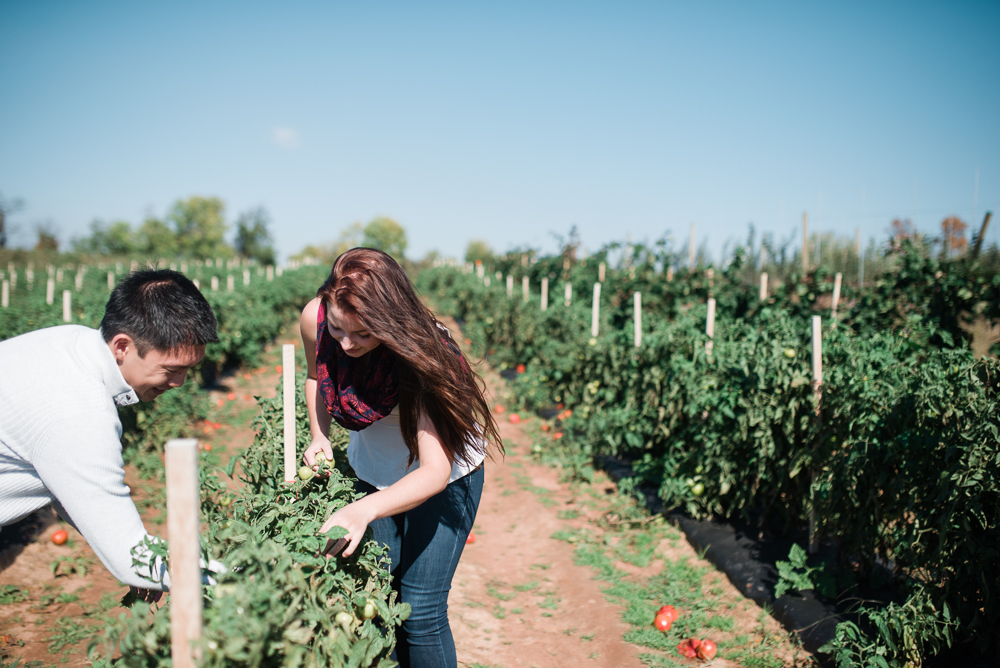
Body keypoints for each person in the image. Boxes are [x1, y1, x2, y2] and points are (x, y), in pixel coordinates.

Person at [300, 248, 502, 668]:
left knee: (421, 609)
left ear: (390, 325)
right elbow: (313, 376)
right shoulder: (315, 318)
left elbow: (434, 471)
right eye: (339, 329)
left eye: (365, 335)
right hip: (373, 469)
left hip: (446, 478)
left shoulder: (424, 358)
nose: (347, 343)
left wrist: (362, 511)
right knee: (380, 595)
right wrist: (320, 434)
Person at [0, 269, 218, 598]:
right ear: (122, 347)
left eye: (189, 369)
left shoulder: (72, 343)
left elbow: (71, 492)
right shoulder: (79, 413)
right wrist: (244, 579)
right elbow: (132, 556)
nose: (179, 383)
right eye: (171, 370)